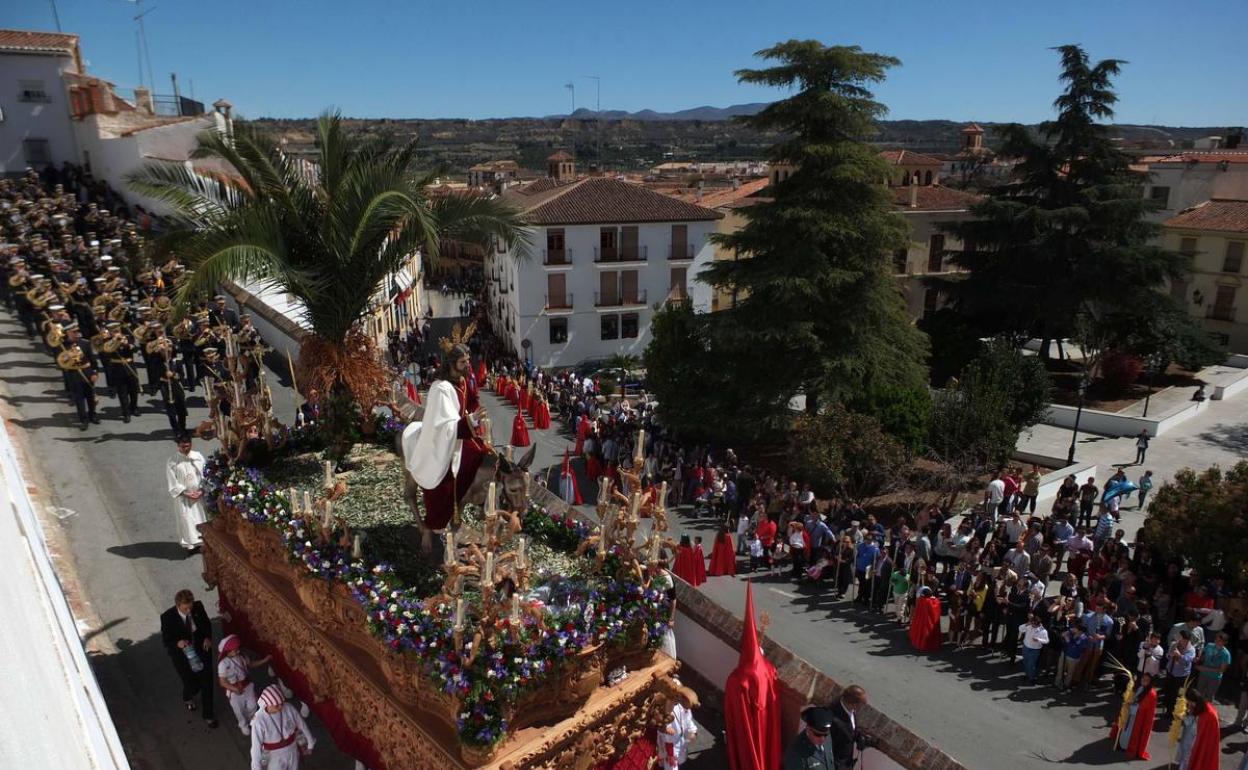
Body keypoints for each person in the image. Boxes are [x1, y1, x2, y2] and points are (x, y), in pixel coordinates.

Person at [400, 339, 487, 548]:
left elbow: (469, 402)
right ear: (451, 363)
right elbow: (444, 425)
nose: (467, 365)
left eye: (468, 361)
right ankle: (431, 526)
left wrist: (475, 414)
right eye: (462, 362)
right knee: (442, 483)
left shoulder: (463, 382)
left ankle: (460, 506)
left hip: (458, 435)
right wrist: (472, 420)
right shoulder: (441, 389)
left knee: (481, 453)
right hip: (441, 442)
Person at [159, 589, 216, 727]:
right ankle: (188, 696)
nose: (189, 610)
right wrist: (178, 643)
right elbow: (167, 641)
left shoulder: (198, 607)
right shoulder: (168, 617)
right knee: (192, 684)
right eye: (185, 608)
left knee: (207, 682)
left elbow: (206, 624)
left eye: (190, 607)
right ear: (178, 605)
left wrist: (207, 637)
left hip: (201, 649)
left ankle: (208, 715)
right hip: (183, 655)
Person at [250, 684, 315, 770]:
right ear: (268, 704)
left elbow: (302, 725)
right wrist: (257, 767)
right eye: (277, 705)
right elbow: (256, 747)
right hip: (273, 755)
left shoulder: (288, 708)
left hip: (292, 749)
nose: (281, 707)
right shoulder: (258, 721)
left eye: (281, 703)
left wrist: (310, 742)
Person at [217, 634, 271, 736]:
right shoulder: (223, 664)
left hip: (247, 685)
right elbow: (222, 682)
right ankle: (243, 725)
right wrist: (234, 688)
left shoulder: (242, 657)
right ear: (227, 651)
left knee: (253, 705)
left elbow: (251, 664)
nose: (237, 651)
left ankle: (252, 720)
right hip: (234, 691)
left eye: (237, 649)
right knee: (239, 710)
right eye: (234, 650)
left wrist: (264, 661)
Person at [166, 434, 208, 552]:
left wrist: (202, 490)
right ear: (178, 446)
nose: (185, 449)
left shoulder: (198, 456)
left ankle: (204, 542)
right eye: (182, 446)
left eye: (187, 446)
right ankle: (191, 546)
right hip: (184, 497)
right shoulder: (172, 461)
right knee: (187, 520)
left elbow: (205, 473)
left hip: (199, 495)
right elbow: (172, 480)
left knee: (201, 518)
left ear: (191, 444)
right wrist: (185, 493)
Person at [1110, 672, 1157, 760]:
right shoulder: (1138, 687)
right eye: (1143, 679)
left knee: (1130, 733)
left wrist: (1132, 705)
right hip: (1129, 713)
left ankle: (1127, 747)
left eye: (1147, 680)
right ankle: (1120, 744)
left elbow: (1144, 708)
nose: (1144, 681)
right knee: (1124, 730)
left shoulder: (1151, 694)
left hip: (1137, 717)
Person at [824, 685, 872, 770]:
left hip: (846, 763)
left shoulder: (850, 709)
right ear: (853, 704)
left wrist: (858, 738)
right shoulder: (834, 719)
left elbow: (851, 728)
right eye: (860, 705)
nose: (861, 708)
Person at [1174, 688, 1221, 770]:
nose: (1188, 703)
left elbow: (1194, 727)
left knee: (1188, 755)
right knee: (1185, 752)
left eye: (1188, 701)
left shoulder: (1206, 714)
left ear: (1192, 700)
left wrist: (1182, 718)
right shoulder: (1200, 705)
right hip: (1191, 735)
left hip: (1193, 738)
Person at [658, 686, 698, 770]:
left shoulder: (683, 706)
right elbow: (663, 732)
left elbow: (688, 719)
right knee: (671, 766)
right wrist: (670, 754)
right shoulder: (666, 708)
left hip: (680, 741)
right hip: (670, 746)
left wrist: (692, 731)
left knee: (681, 760)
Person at [1193, 631, 1231, 701]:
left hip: (1214, 678)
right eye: (1216, 639)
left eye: (1219, 641)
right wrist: (1198, 659)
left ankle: (1206, 711)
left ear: (1225, 642)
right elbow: (1203, 657)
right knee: (1198, 694)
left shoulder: (1226, 654)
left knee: (1208, 697)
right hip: (1203, 675)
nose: (1217, 642)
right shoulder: (1209, 645)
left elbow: (1222, 670)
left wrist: (1204, 669)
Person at [1019, 613, 1050, 684]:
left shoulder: (1043, 631)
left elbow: (1047, 641)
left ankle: (1032, 678)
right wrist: (1027, 624)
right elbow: (1020, 629)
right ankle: (1027, 675)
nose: (1032, 626)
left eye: (1034, 625)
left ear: (1038, 624)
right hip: (1026, 647)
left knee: (1031, 664)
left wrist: (1039, 640)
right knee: (1025, 662)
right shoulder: (1029, 626)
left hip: (1035, 650)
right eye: (1032, 624)